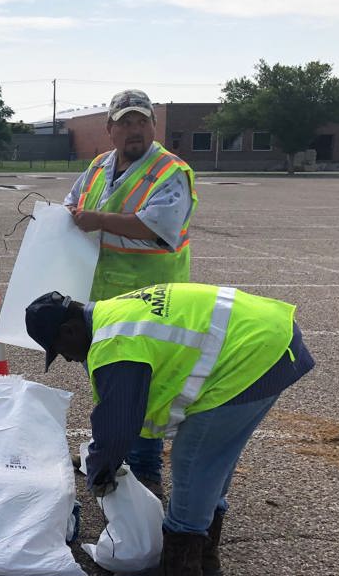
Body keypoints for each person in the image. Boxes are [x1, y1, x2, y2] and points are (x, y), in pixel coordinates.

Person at [25, 284, 315, 576]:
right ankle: (205, 558)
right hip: (270, 336)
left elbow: (118, 426)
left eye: (61, 351)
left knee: (193, 459)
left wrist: (100, 471)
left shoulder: (114, 344)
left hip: (255, 352)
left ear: (70, 331)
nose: (69, 359)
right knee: (214, 459)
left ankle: (181, 563)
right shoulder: (110, 314)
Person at [63, 89, 199, 498]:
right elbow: (72, 205)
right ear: (110, 130)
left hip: (151, 302)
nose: (133, 130)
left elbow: (156, 225)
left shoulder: (169, 171)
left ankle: (145, 468)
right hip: (103, 301)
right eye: (125, 122)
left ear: (154, 126)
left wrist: (93, 220)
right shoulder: (98, 166)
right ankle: (111, 455)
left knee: (144, 386)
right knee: (108, 381)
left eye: (141, 121)